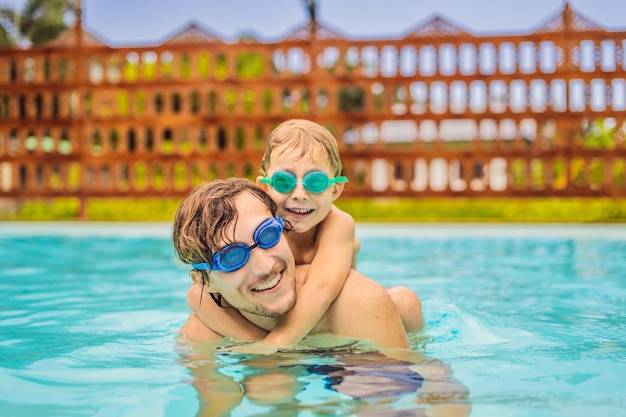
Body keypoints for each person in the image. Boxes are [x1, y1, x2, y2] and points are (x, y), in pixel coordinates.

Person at [186, 119, 423, 348]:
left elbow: (321, 290)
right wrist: (256, 342)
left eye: (316, 182)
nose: (300, 193)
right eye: (284, 181)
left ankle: (421, 351)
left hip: (332, 313)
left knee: (406, 302)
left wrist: (276, 344)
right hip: (277, 315)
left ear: (335, 189)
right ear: (265, 186)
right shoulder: (261, 228)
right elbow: (198, 293)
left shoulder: (338, 224)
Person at [173, 178, 409, 349]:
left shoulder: (360, 304)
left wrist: (272, 350)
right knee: (269, 388)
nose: (265, 267)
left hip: (351, 361)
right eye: (231, 257)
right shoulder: (201, 336)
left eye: (267, 235)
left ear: (284, 230)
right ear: (204, 281)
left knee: (406, 304)